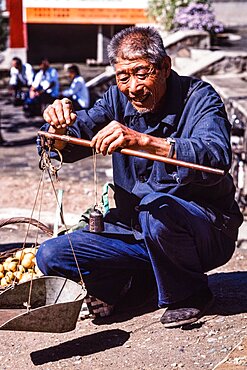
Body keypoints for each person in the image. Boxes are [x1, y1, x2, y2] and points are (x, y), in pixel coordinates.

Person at [36, 26, 243, 328]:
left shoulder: (199, 97)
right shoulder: (115, 100)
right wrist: (57, 129)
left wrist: (143, 141)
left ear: (165, 67)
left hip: (204, 231)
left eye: (141, 73)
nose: (133, 87)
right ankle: (141, 285)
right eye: (123, 77)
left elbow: (215, 155)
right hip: (135, 233)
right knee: (52, 255)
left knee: (156, 208)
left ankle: (189, 294)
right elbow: (73, 137)